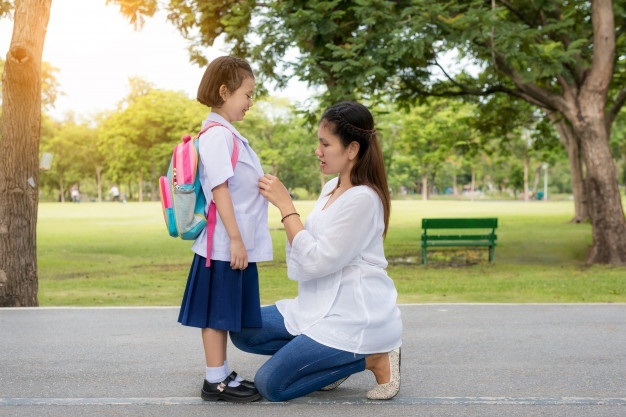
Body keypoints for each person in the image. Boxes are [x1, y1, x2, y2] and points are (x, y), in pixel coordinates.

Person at [231, 101, 403, 402]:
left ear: (351, 149)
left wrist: (286, 206)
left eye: (325, 144)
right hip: (315, 305)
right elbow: (308, 245)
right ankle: (328, 357)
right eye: (318, 143)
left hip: (351, 315)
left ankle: (373, 357)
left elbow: (317, 260)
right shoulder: (332, 188)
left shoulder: (363, 199)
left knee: (271, 385)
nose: (318, 151)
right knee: (242, 329)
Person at [177, 56, 273, 403]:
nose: (250, 102)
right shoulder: (217, 135)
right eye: (247, 94)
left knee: (221, 311)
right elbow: (220, 188)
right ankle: (215, 380)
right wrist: (235, 239)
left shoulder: (225, 133)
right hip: (223, 242)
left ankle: (220, 374)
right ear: (224, 91)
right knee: (217, 313)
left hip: (229, 241)